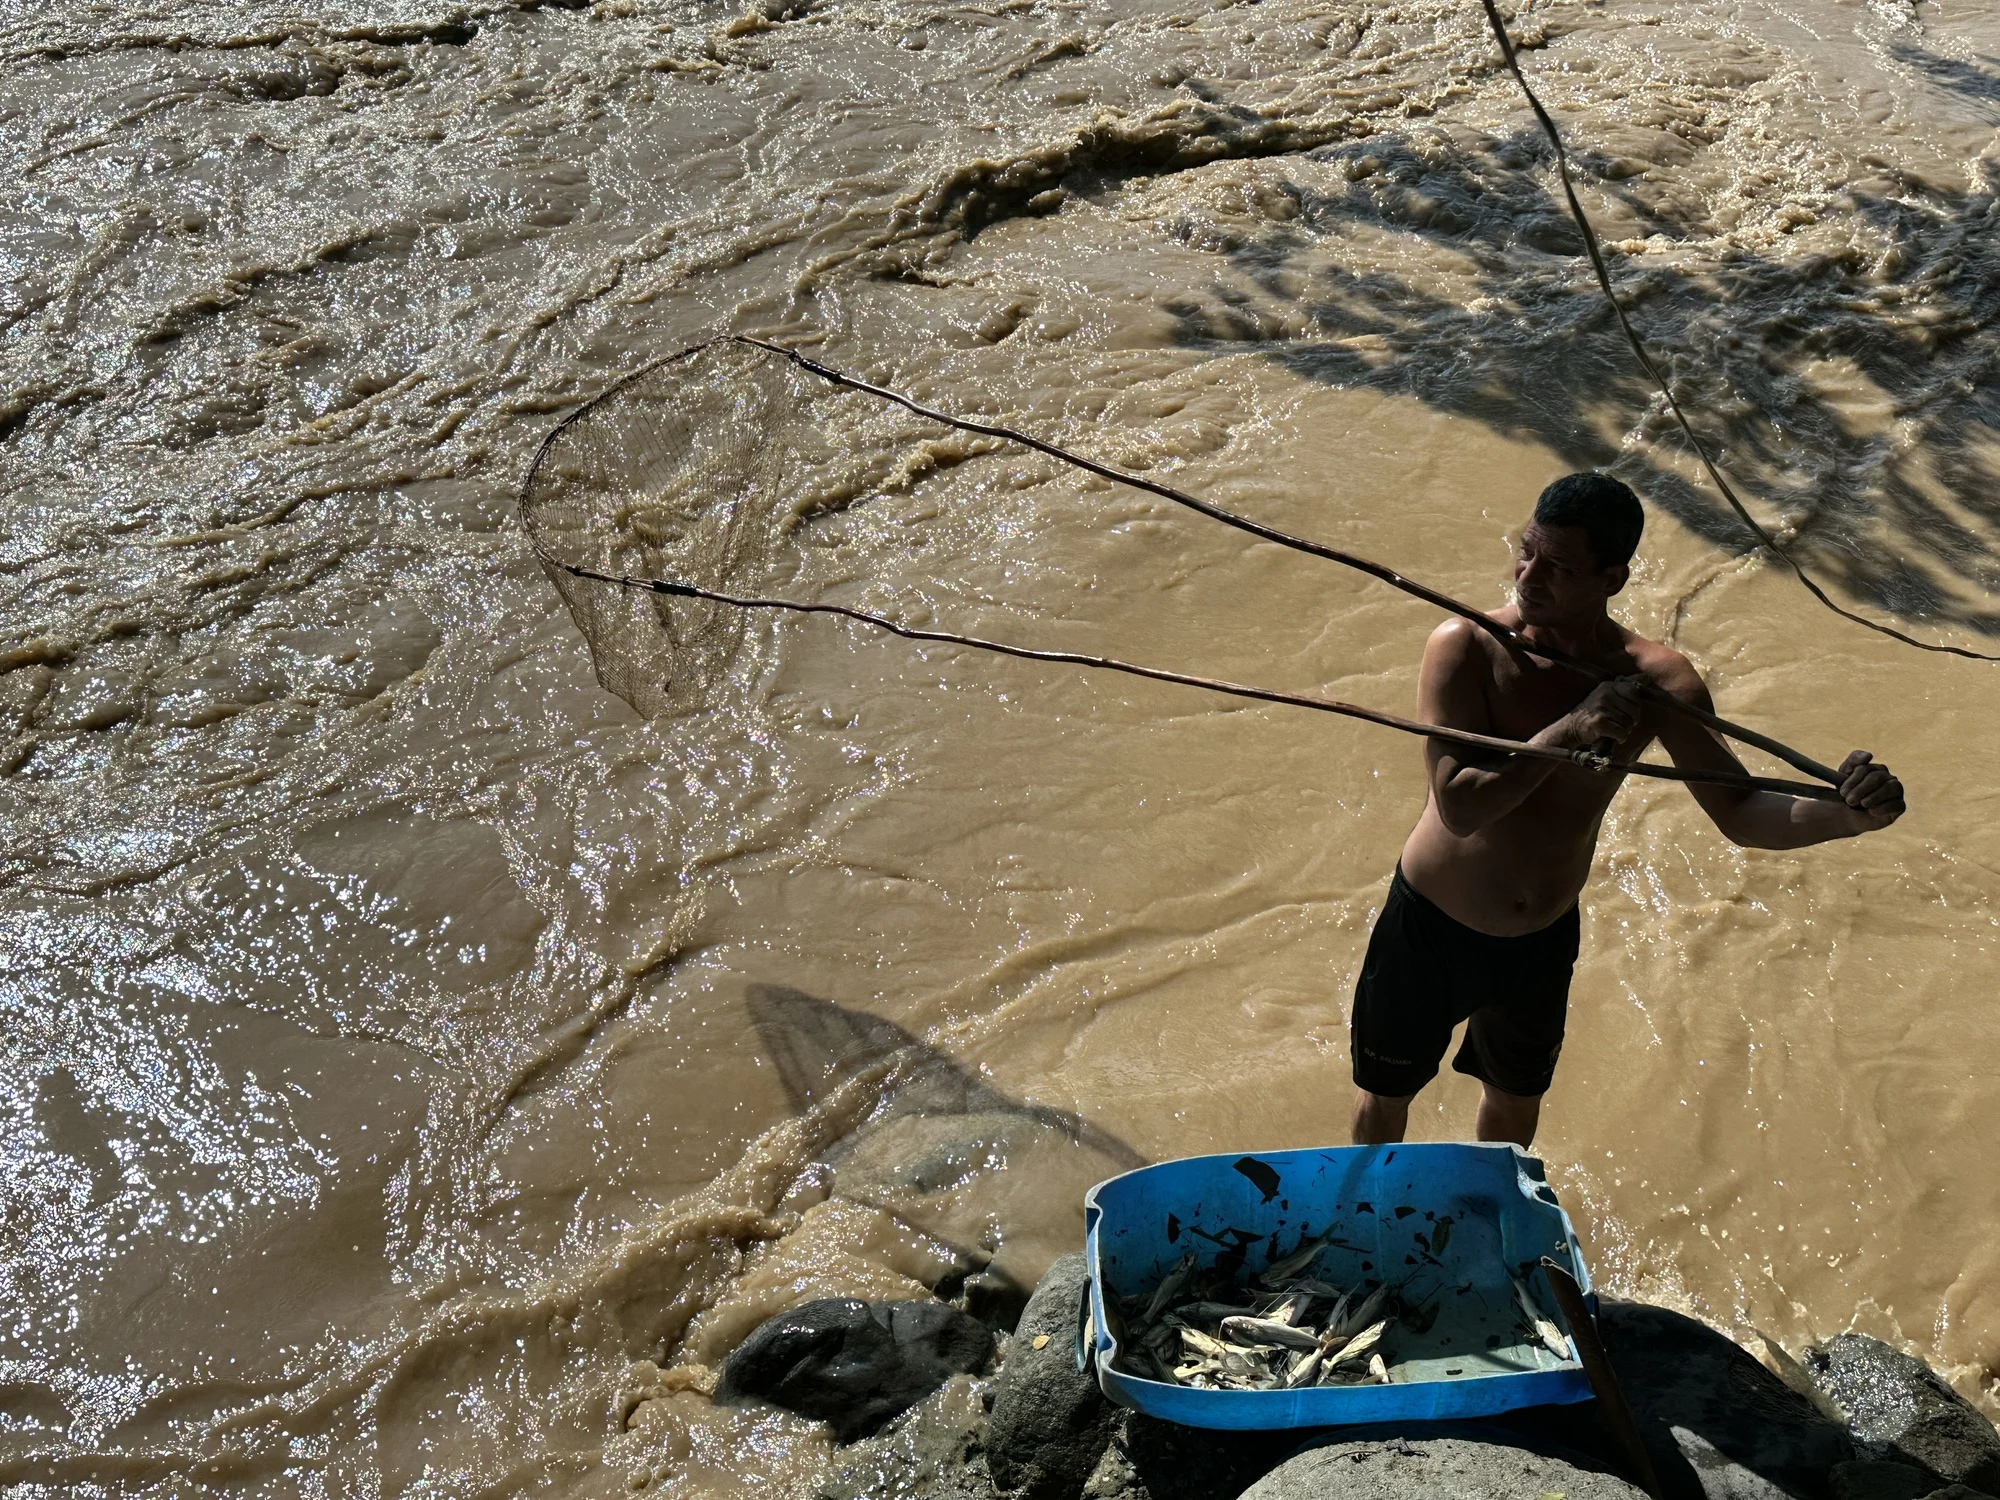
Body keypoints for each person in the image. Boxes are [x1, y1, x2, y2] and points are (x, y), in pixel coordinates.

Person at [1349, 472, 1905, 1150]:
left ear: (1612, 579)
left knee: (1514, 1113)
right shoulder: (1465, 647)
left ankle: (1493, 1225)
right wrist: (1569, 732)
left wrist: (1850, 818)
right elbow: (1461, 804)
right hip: (1432, 928)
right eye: (1526, 551)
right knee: (1384, 1104)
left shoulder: (1657, 682)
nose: (1528, 576)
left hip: (1541, 939)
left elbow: (1740, 809)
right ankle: (1360, 1232)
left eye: (1558, 566)